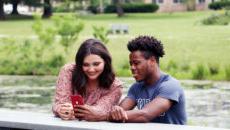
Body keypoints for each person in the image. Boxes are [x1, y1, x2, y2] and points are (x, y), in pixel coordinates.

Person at [109, 36, 187, 124]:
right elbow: (119, 112)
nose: (132, 68)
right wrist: (115, 111)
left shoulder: (170, 85)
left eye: (136, 63)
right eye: (131, 64)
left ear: (152, 61)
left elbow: (145, 115)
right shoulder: (136, 88)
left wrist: (116, 115)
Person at [53, 39, 123, 121]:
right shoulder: (68, 71)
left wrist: (77, 110)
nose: (91, 70)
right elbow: (59, 103)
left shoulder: (115, 87)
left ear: (105, 62)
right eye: (85, 65)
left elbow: (100, 111)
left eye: (96, 64)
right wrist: (62, 110)